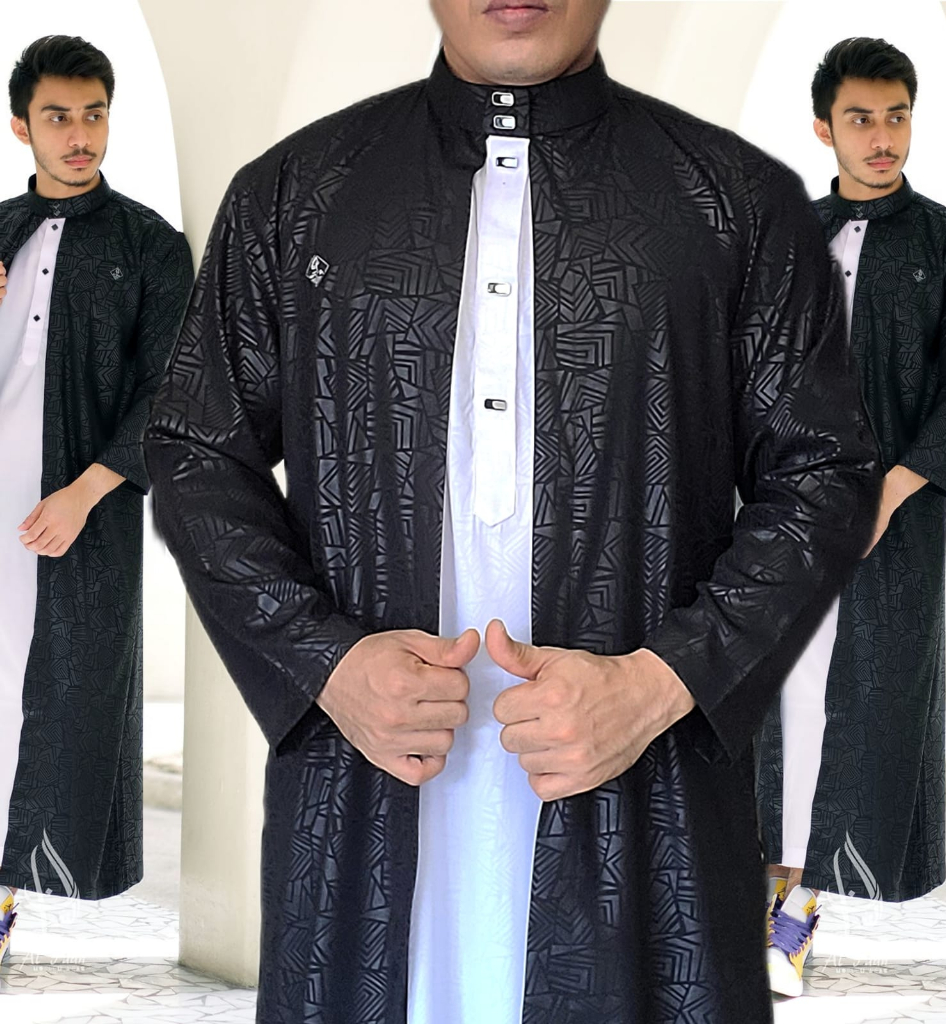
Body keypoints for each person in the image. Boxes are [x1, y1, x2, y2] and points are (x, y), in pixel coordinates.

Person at [144, 2, 880, 1020]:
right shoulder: (297, 193)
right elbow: (194, 451)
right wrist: (328, 663)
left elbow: (824, 471)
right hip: (366, 795)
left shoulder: (730, 199)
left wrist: (661, 683)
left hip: (644, 803)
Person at [757, 37, 946, 998]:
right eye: (861, 117)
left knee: (852, 716)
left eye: (897, 115)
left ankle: (792, 924)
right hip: (782, 518)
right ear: (825, 128)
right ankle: (759, 913)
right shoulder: (789, 241)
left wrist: (888, 495)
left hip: (891, 530)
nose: (883, 135)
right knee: (772, 709)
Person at [0, 34, 193, 954]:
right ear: (21, 127)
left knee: (54, 704)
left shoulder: (151, 246)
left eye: (94, 114)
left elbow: (173, 388)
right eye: (58, 117)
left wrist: (86, 493)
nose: (79, 136)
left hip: (78, 518)